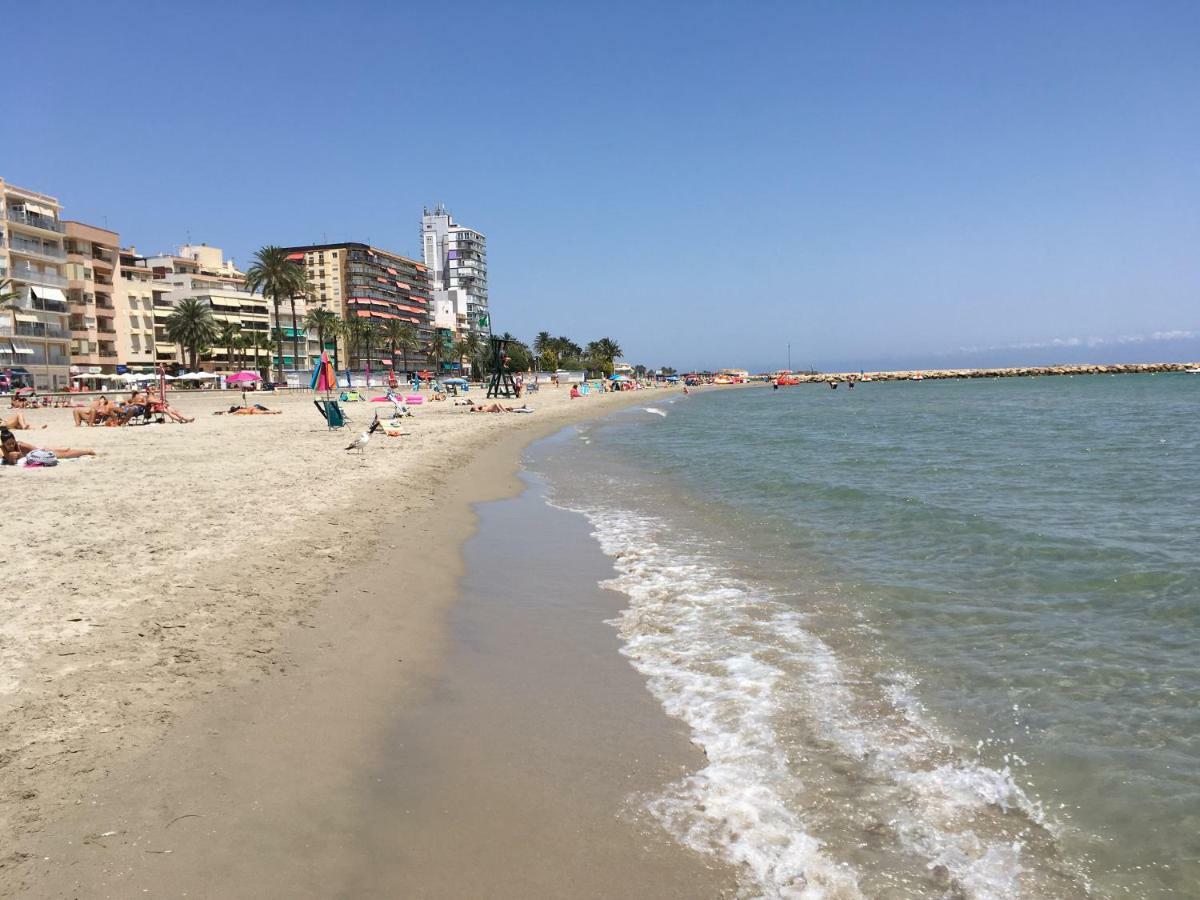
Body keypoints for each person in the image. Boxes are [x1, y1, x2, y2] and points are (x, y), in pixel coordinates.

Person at [1, 427, 96, 465]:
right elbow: (10, 460)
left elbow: (36, 450)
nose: (11, 445)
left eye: (12, 442)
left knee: (65, 454)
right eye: (8, 444)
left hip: (39, 453)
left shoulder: (20, 445)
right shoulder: (2, 449)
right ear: (3, 444)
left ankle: (87, 451)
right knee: (63, 452)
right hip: (35, 455)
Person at [213, 404, 281, 416]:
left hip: (252, 410)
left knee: (263, 412)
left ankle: (274, 412)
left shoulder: (239, 410)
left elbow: (230, 412)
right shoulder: (240, 409)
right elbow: (230, 412)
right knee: (264, 412)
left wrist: (223, 413)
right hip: (252, 409)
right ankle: (274, 411)